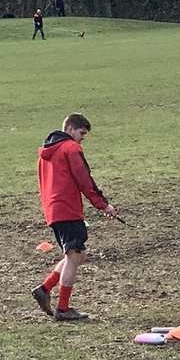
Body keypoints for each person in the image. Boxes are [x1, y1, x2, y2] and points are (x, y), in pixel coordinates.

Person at [31, 115, 118, 322]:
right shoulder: (70, 149)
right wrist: (103, 204)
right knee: (73, 256)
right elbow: (84, 179)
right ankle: (63, 308)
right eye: (82, 133)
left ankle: (45, 289)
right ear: (70, 129)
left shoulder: (45, 154)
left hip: (54, 209)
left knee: (78, 256)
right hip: (67, 209)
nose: (82, 139)